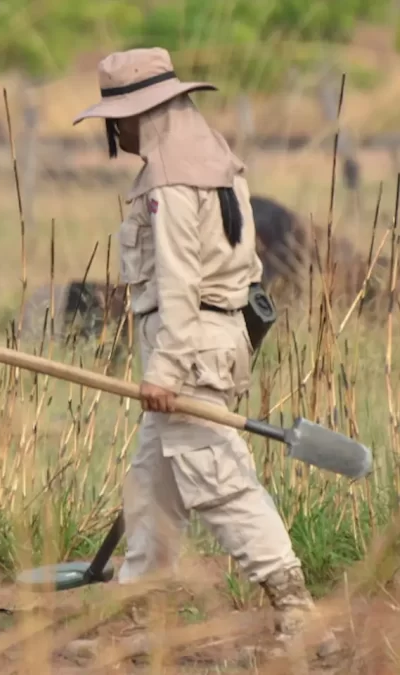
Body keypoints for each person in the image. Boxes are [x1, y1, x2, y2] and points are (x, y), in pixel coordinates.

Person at [69, 47, 340, 662]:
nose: (122, 132)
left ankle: (298, 612)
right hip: (209, 339)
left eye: (122, 120)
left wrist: (166, 370)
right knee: (152, 482)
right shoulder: (213, 159)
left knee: (220, 481)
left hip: (188, 349)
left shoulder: (172, 181)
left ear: (139, 115)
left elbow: (180, 279)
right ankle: (140, 612)